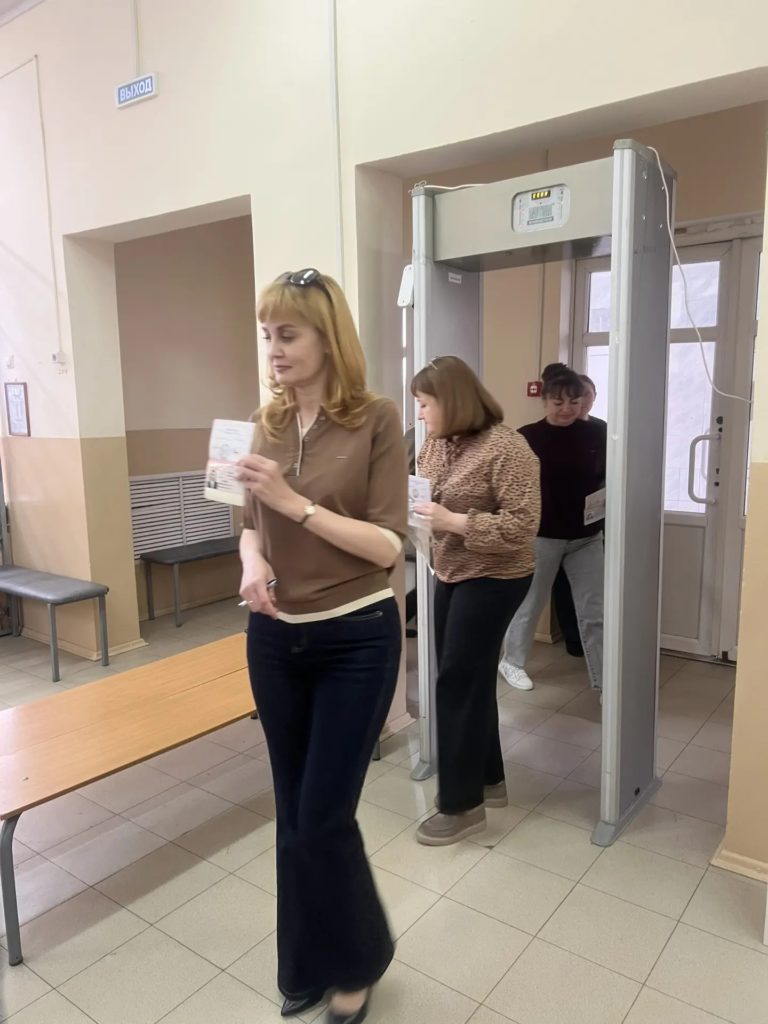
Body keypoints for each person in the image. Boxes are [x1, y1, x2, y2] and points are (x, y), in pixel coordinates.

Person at [237, 268, 407, 1024]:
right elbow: (248, 523)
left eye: (288, 334)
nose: (274, 349)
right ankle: (304, 965)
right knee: (292, 813)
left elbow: (388, 546)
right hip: (276, 639)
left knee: (324, 818)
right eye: (267, 335)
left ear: (328, 338)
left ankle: (360, 960)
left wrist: (294, 503)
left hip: (355, 638)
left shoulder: (376, 419)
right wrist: (252, 562)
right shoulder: (265, 422)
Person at [410, 355, 540, 846]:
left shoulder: (508, 448)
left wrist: (454, 522)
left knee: (456, 684)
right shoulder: (437, 443)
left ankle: (461, 805)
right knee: (469, 677)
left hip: (497, 575)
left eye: (426, 404)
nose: (420, 413)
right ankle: (489, 779)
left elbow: (523, 526)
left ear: (454, 401)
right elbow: (425, 494)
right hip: (450, 570)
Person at [499, 363, 606, 693]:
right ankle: (512, 662)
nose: (567, 409)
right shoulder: (527, 437)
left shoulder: (597, 433)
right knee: (530, 603)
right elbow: (512, 487)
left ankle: (604, 681)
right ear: (545, 401)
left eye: (574, 401)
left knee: (595, 611)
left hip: (587, 537)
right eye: (558, 402)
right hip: (542, 536)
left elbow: (605, 477)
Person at [551, 372, 607, 657]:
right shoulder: (554, 431)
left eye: (586, 395)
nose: (581, 401)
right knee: (562, 583)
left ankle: (596, 645)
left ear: (594, 398)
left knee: (593, 589)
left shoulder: (602, 429)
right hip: (557, 524)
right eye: (576, 396)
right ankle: (572, 638)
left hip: (595, 519)